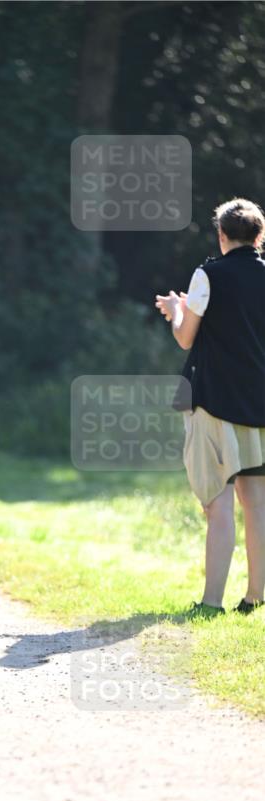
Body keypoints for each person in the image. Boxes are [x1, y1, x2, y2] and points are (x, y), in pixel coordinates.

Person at [155, 198, 265, 616]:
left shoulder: (209, 274)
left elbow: (186, 338)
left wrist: (176, 310)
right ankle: (255, 597)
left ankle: (211, 603)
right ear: (260, 236)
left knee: (217, 504)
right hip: (259, 405)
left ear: (221, 235)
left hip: (213, 402)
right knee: (258, 506)